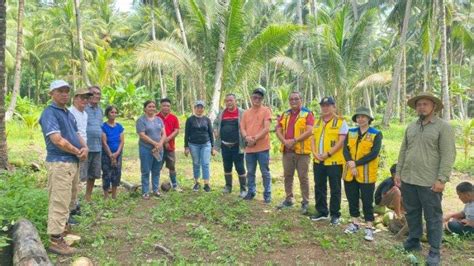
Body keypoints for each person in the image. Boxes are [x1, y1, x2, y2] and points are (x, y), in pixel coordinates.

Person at [395, 92, 456, 265]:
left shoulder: (443, 127)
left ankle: (434, 251)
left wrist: (442, 179)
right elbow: (403, 151)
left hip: (429, 181)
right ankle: (413, 242)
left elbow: (448, 155)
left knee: (433, 217)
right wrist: (399, 173)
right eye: (419, 104)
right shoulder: (411, 127)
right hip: (409, 178)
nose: (421, 107)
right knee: (412, 213)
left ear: (433, 107)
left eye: (425, 104)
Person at [39, 80, 88, 255]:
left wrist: (85, 148)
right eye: (60, 91)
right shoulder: (49, 113)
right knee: (59, 200)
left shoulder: (67, 113)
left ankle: (63, 231)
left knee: (69, 199)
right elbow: (57, 140)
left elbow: (76, 134)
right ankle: (55, 241)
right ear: (51, 93)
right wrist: (77, 150)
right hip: (60, 161)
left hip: (72, 161)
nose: (64, 94)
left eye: (67, 91)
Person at [342, 106, 382, 241]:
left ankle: (369, 227)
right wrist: (350, 162)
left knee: (367, 200)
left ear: (369, 119)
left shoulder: (376, 133)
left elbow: (374, 153)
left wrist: (356, 164)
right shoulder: (351, 132)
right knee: (352, 198)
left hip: (366, 173)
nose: (361, 119)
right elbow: (345, 150)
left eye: (363, 116)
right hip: (349, 171)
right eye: (358, 117)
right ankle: (354, 223)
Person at [310, 96, 348, 225]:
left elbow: (341, 141)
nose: (325, 108)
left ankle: (335, 214)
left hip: (334, 161)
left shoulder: (340, 122)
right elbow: (313, 139)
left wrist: (328, 153)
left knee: (335, 188)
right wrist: (315, 153)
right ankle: (321, 211)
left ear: (334, 107)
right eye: (323, 106)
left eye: (328, 105)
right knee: (319, 186)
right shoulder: (317, 122)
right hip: (318, 160)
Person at [275, 91, 314, 214]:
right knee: (288, 176)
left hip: (302, 152)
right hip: (287, 150)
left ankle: (305, 202)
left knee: (303, 177)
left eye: (296, 99)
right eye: (291, 99)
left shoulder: (307, 113)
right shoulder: (285, 114)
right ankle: (289, 199)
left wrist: (295, 140)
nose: (293, 101)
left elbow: (309, 131)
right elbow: (278, 130)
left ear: (301, 100)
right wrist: (285, 141)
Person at [240, 88, 273, 203]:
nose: (257, 99)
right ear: (251, 97)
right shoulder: (246, 113)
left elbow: (266, 128)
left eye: (259, 98)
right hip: (249, 148)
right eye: (255, 97)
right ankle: (251, 192)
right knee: (250, 172)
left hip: (262, 148)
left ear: (262, 99)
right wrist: (246, 137)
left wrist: (254, 139)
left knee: (265, 172)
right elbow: (242, 128)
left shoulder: (266, 111)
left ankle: (267, 194)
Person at [213, 93, 247, 198]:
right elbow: (215, 123)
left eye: (231, 100)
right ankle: (228, 186)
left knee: (240, 167)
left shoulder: (242, 113)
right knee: (227, 166)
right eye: (227, 101)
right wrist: (215, 130)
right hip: (224, 145)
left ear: (235, 101)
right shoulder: (222, 113)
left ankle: (243, 189)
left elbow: (247, 125)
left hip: (238, 145)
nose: (229, 102)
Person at [68, 88, 92, 222]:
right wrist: (83, 147)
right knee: (69, 182)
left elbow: (83, 133)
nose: (84, 100)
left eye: (86, 98)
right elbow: (73, 134)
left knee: (76, 181)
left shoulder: (84, 114)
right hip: (73, 150)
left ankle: (74, 206)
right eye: (82, 98)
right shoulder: (70, 113)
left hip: (82, 150)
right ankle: (68, 212)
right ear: (75, 98)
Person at [136, 100, 167, 199]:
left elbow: (164, 133)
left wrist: (160, 144)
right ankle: (145, 191)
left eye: (153, 106)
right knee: (145, 170)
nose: (152, 108)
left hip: (158, 149)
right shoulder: (141, 120)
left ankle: (155, 190)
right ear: (145, 108)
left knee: (156, 170)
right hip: (146, 149)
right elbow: (142, 135)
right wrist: (154, 144)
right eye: (149, 106)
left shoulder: (159, 120)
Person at [184, 100, 215, 192]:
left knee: (205, 163)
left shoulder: (207, 119)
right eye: (198, 107)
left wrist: (213, 147)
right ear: (195, 108)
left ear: (204, 109)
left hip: (206, 144)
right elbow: (186, 134)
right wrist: (186, 147)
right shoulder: (190, 120)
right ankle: (197, 182)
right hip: (193, 144)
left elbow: (210, 133)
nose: (199, 109)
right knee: (196, 163)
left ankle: (206, 183)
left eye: (201, 107)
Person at [156, 98, 182, 192]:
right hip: (158, 147)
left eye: (168, 106)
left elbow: (176, 130)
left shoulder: (173, 118)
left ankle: (175, 185)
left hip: (170, 147)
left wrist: (167, 139)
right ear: (160, 106)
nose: (166, 107)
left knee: (172, 166)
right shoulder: (156, 117)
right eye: (164, 105)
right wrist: (164, 142)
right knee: (157, 167)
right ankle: (155, 187)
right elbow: (155, 132)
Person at [84, 85, 103, 202]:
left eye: (98, 94)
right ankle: (74, 199)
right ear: (88, 95)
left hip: (97, 146)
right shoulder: (83, 108)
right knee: (80, 174)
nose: (96, 96)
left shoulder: (100, 110)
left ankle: (88, 197)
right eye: (93, 93)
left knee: (93, 174)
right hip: (85, 147)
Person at [101, 106, 124, 199]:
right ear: (107, 114)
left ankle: (114, 195)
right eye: (111, 112)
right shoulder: (103, 126)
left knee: (116, 173)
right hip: (106, 154)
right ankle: (106, 196)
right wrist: (111, 155)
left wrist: (117, 153)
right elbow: (104, 142)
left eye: (115, 112)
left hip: (118, 153)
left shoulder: (119, 127)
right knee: (107, 173)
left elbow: (122, 141)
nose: (113, 114)